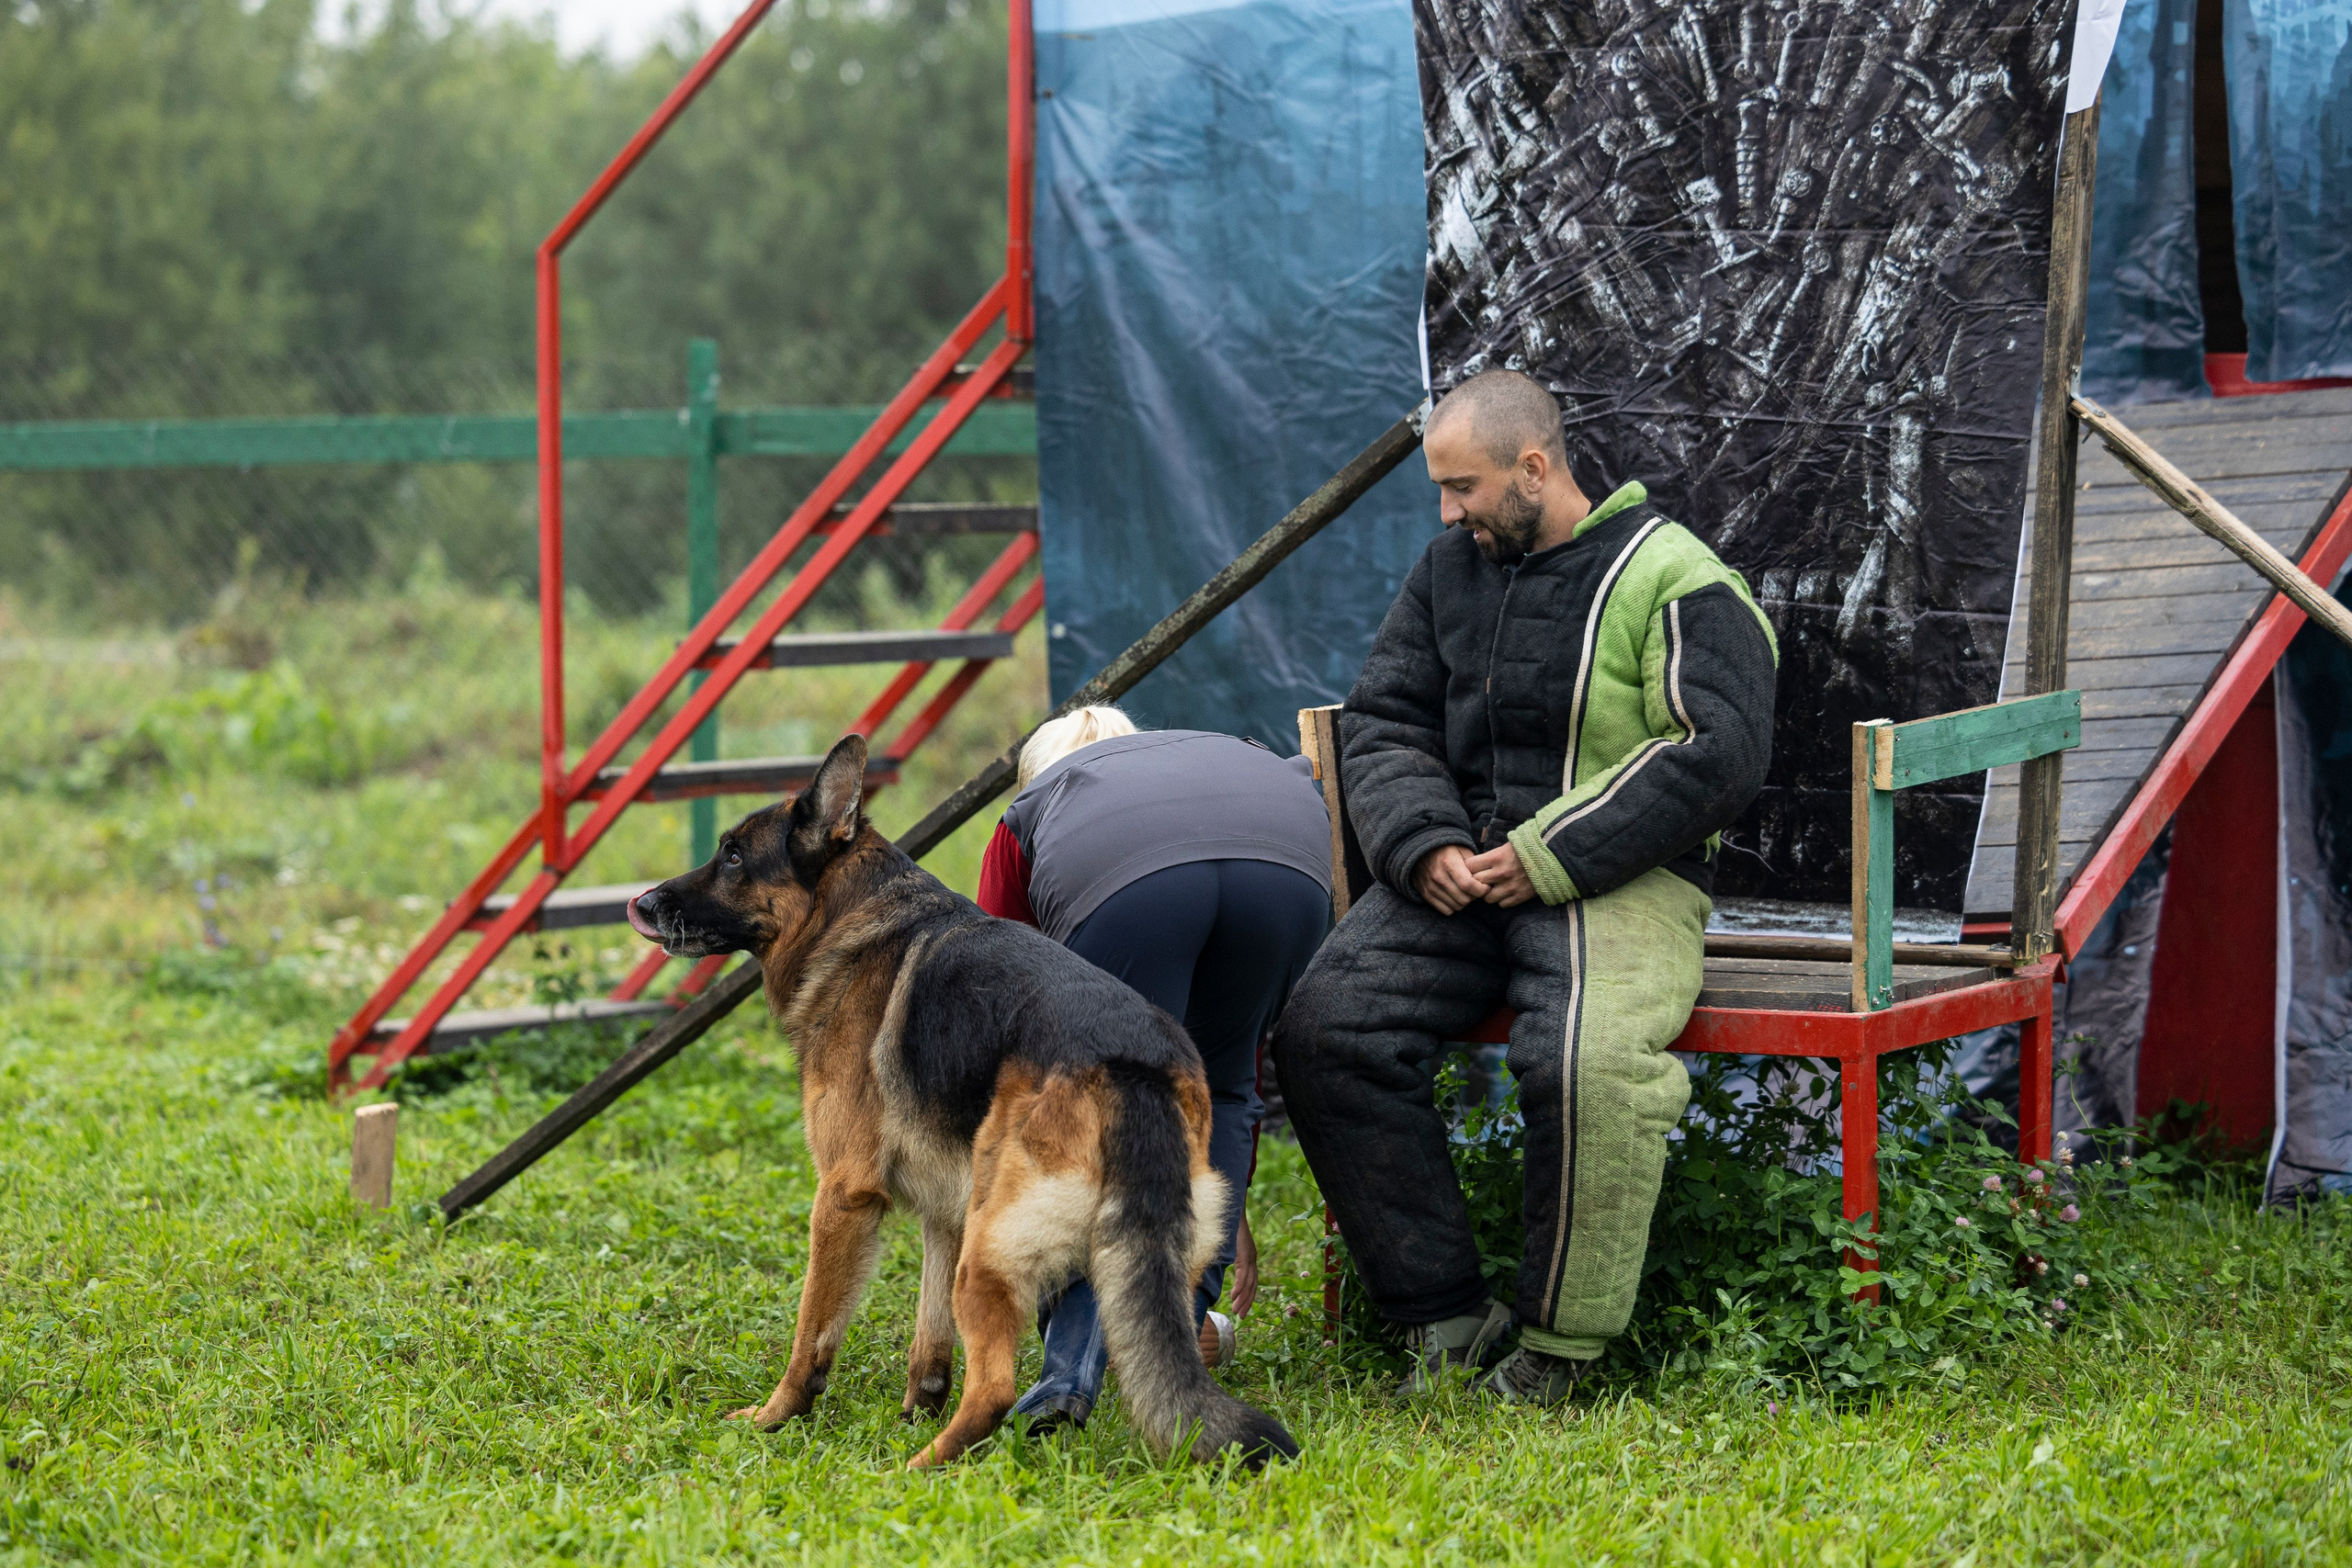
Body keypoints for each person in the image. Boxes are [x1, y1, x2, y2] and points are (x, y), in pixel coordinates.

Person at [1272, 368, 1780, 1405]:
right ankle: (1448, 1317)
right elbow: (1385, 720)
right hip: (1461, 873)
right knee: (1327, 1027)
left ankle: (1560, 1354)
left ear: (1533, 469)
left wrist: (1546, 852)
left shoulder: (1679, 578)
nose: (1448, 511)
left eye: (1461, 488)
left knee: (1588, 1060)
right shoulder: (1445, 571)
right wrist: (1422, 844)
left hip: (1621, 875)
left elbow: (1717, 750)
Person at [974, 705, 1334, 1433]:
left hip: (1135, 891)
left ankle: (1068, 1372)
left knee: (1091, 1106)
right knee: (1226, 1087)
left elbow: (997, 990)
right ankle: (1182, 1332)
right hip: (1290, 861)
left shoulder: (1035, 812)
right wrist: (1228, 1216)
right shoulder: (1203, 753)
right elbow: (1220, 1105)